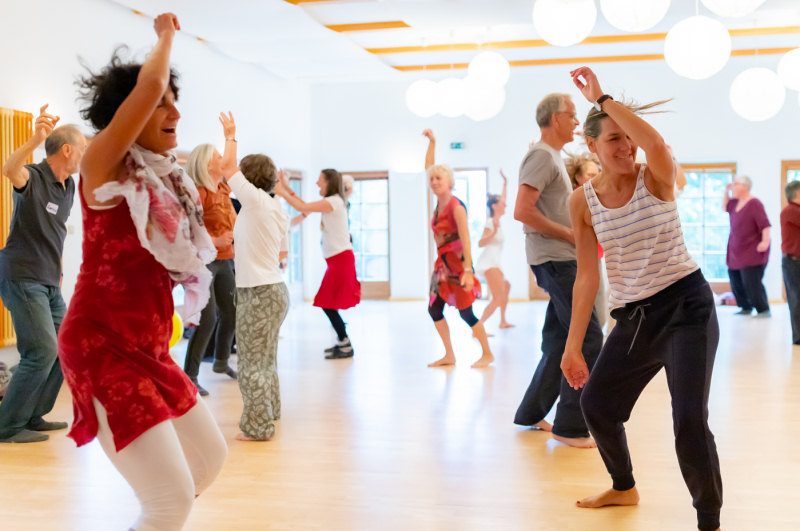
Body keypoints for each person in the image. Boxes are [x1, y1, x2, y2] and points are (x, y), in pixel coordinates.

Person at [58, 14, 227, 529]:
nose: (175, 111)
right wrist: (166, 34)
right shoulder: (102, 164)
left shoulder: (164, 178)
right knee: (169, 501)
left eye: (175, 101)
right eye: (162, 103)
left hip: (149, 347)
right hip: (102, 346)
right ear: (128, 113)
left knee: (210, 459)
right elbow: (150, 82)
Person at [562, 66, 722, 531]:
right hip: (634, 319)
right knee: (597, 406)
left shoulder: (656, 175)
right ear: (591, 146)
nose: (625, 146)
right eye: (613, 139)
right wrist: (573, 346)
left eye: (627, 137)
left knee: (689, 420)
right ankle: (623, 486)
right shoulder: (582, 202)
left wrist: (602, 99)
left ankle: (709, 521)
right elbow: (586, 277)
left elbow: (654, 143)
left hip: (687, 308)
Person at [512, 93, 602, 448]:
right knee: (588, 338)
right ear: (555, 118)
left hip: (559, 258)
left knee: (558, 341)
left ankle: (531, 411)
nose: (577, 122)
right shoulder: (541, 156)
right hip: (556, 259)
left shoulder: (551, 157)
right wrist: (569, 234)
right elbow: (523, 210)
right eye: (573, 115)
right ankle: (570, 426)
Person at [0, 104, 85, 443]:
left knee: (66, 347)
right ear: (66, 150)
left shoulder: (69, 186)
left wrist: (59, 270)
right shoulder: (32, 176)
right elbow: (9, 169)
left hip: (49, 281)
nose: (84, 155)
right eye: (82, 148)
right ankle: (7, 427)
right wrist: (35, 140)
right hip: (22, 277)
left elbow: (55, 231)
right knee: (41, 352)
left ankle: (32, 415)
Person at [225, 154, 289, 441]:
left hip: (259, 293)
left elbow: (228, 168)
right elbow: (282, 251)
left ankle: (258, 427)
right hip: (273, 290)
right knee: (265, 360)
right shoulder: (273, 206)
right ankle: (270, 411)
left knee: (251, 364)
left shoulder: (254, 201)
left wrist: (230, 137)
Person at [422, 129, 493, 368]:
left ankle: (487, 353)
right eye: (432, 179)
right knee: (434, 310)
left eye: (439, 179)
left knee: (466, 313)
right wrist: (432, 142)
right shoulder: (438, 204)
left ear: (450, 183)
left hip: (458, 267)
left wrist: (468, 271)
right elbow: (429, 167)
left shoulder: (456, 207)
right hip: (442, 267)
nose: (434, 182)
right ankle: (449, 355)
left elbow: (466, 239)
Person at [182, 112, 240, 396]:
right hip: (203, 264)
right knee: (207, 320)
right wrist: (214, 240)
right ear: (206, 164)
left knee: (231, 313)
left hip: (225, 261)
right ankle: (189, 376)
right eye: (217, 156)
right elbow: (186, 230)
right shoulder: (199, 192)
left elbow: (230, 163)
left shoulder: (224, 187)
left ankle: (220, 361)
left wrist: (231, 137)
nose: (222, 160)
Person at [281, 169, 360, 359]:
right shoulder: (333, 201)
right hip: (337, 260)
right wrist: (284, 187)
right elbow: (304, 207)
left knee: (327, 303)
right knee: (328, 303)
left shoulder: (333, 201)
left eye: (320, 180)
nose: (317, 183)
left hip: (341, 260)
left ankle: (345, 343)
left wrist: (283, 189)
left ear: (328, 182)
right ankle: (342, 341)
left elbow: (302, 206)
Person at [565, 152, 610, 331]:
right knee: (596, 311)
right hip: (582, 258)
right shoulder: (578, 199)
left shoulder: (593, 197)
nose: (595, 178)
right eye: (590, 175)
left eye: (597, 174)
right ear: (578, 177)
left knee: (597, 308)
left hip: (595, 255)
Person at [723, 175, 771, 317]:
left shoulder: (755, 203)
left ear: (745, 186)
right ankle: (745, 307)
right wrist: (726, 191)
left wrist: (765, 242)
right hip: (735, 248)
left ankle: (763, 309)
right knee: (735, 278)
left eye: (736, 184)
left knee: (751, 280)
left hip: (752, 249)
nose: (733, 187)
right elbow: (725, 207)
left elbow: (765, 225)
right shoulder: (734, 203)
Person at [476, 170, 514, 330]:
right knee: (497, 297)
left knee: (506, 286)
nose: (505, 205)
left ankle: (502, 321)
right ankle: (478, 328)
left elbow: (503, 199)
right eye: (502, 204)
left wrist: (505, 183)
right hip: (488, 263)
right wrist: (493, 232)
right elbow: (480, 243)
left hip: (494, 262)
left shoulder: (497, 220)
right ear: (494, 206)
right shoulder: (491, 222)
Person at [781, 180, 800, 345]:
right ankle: (798, 338)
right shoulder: (791, 211)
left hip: (795, 262)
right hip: (793, 263)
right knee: (796, 300)